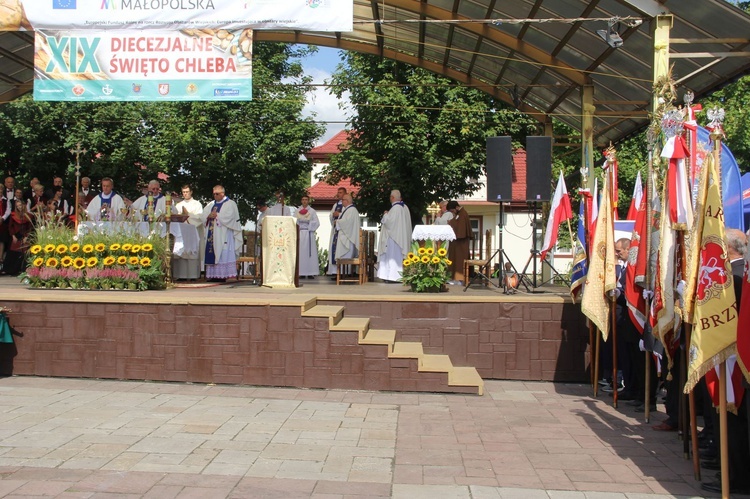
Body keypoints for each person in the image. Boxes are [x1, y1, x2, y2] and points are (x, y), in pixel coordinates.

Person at [201, 185, 243, 282]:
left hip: (224, 234)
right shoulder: (210, 204)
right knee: (213, 251)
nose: (215, 195)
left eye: (217, 194)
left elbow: (230, 217)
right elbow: (203, 216)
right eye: (214, 194)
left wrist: (217, 215)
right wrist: (208, 216)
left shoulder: (230, 203)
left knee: (223, 252)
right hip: (212, 234)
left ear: (223, 193)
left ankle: (224, 275)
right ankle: (214, 275)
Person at [377, 190, 411, 283]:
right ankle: (395, 276)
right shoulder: (404, 207)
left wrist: (385, 214)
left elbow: (389, 222)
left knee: (392, 257)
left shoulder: (396, 208)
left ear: (392, 197)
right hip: (400, 238)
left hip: (393, 238)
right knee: (397, 257)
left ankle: (392, 277)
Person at [5, 199, 33, 276]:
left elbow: (30, 227)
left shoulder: (28, 215)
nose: (19, 207)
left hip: (25, 235)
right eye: (17, 206)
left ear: (24, 205)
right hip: (15, 235)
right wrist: (13, 236)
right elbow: (10, 226)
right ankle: (13, 270)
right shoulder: (13, 215)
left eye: (20, 205)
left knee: (25, 253)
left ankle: (24, 269)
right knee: (14, 252)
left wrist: (26, 236)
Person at [447, 200, 472, 284]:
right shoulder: (459, 214)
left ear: (456, 207)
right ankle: (453, 277)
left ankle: (459, 278)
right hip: (457, 242)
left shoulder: (462, 214)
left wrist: (451, 223)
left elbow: (461, 228)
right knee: (454, 258)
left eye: (452, 211)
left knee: (459, 259)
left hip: (461, 242)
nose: (452, 213)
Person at [331, 193, 360, 268]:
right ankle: (343, 274)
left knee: (346, 255)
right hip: (347, 236)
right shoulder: (349, 210)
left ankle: (346, 274)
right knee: (344, 256)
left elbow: (347, 222)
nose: (342, 201)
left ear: (347, 201)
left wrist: (337, 222)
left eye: (343, 200)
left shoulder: (352, 210)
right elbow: (345, 220)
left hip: (348, 238)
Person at [295, 194, 320, 278]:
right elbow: (294, 221)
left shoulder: (312, 211)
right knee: (300, 253)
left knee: (310, 253)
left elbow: (316, 222)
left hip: (308, 233)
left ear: (308, 201)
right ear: (301, 201)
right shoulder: (297, 210)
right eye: (303, 199)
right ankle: (301, 272)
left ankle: (310, 272)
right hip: (300, 233)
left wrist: (309, 222)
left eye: (306, 199)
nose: (304, 201)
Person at [326, 187, 347, 276]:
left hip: (343, 232)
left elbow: (348, 217)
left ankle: (343, 272)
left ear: (345, 193)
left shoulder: (347, 204)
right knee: (334, 250)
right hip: (335, 230)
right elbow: (331, 215)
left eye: (341, 192)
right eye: (338, 192)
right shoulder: (335, 205)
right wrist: (332, 216)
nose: (339, 194)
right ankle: (334, 272)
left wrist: (339, 214)